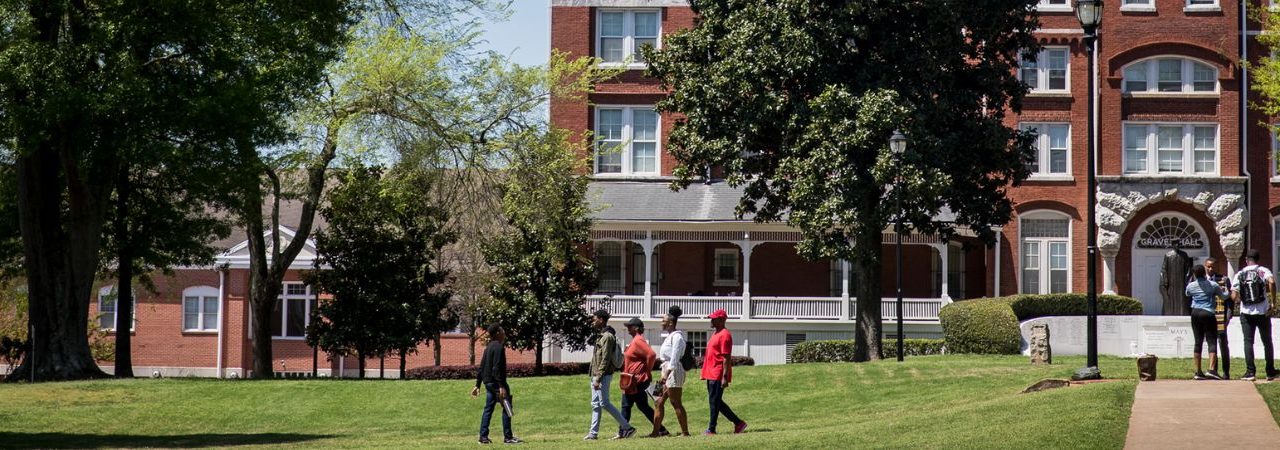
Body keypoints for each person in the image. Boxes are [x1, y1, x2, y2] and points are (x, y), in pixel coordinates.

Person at [586, 309, 636, 440]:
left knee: (604, 403)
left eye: (595, 318)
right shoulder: (601, 335)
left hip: (603, 375)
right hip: (596, 374)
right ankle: (593, 433)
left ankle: (627, 427)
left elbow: (606, 358)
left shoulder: (608, 337)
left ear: (601, 320)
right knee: (595, 404)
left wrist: (598, 377)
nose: (593, 321)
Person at [1231, 249, 1279, 381]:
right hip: (1262, 311)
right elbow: (1272, 282)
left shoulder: (1240, 273)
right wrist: (1273, 303)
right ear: (1258, 259)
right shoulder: (1263, 270)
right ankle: (1270, 371)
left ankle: (1250, 372)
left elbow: (1234, 294)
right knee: (1267, 341)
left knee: (1248, 341)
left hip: (1246, 313)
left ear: (1246, 259)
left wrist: (1239, 302)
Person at [471, 324, 522, 444]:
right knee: (506, 407)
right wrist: (501, 386)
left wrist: (477, 385)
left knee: (488, 409)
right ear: (498, 333)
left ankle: (483, 437)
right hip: (496, 384)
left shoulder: (488, 347)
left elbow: (481, 367)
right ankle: (508, 437)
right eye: (502, 330)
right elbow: (496, 368)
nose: (504, 333)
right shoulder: (499, 347)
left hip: (488, 383)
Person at [618, 317, 668, 437]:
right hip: (633, 380)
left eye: (630, 327)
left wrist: (647, 370)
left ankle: (624, 431)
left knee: (627, 405)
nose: (628, 329)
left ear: (636, 328)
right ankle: (661, 429)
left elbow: (651, 354)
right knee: (642, 406)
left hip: (637, 380)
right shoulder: (635, 340)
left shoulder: (638, 340)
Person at [701, 309, 747, 435]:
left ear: (721, 320)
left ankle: (712, 429)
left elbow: (726, 358)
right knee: (716, 401)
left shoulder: (725, 335)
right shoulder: (716, 333)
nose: (711, 320)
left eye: (714, 318)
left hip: (718, 373)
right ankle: (739, 423)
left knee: (714, 401)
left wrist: (724, 377)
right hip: (711, 373)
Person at [653, 306, 691, 437]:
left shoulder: (677, 337)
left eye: (663, 320)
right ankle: (655, 432)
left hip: (674, 371)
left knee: (675, 402)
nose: (661, 322)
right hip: (665, 369)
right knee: (657, 400)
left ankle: (685, 432)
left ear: (670, 322)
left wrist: (666, 375)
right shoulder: (669, 336)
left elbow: (674, 358)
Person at [1185, 264, 1223, 380]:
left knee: (1198, 341)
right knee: (1211, 341)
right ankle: (1211, 369)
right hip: (1208, 312)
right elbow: (1223, 296)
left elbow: (1187, 294)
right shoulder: (1213, 285)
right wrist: (1229, 292)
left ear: (1195, 275)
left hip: (1195, 312)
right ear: (1203, 273)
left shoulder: (1191, 285)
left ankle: (1197, 371)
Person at [1205, 257, 1233, 379]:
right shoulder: (1201, 280)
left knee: (1223, 344)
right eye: (1208, 266)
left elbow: (1230, 299)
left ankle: (1226, 372)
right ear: (1205, 266)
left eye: (1213, 266)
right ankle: (1213, 370)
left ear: (1216, 267)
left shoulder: (1224, 280)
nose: (1210, 269)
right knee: (1211, 344)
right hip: (1207, 316)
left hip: (1221, 315)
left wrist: (1229, 314)